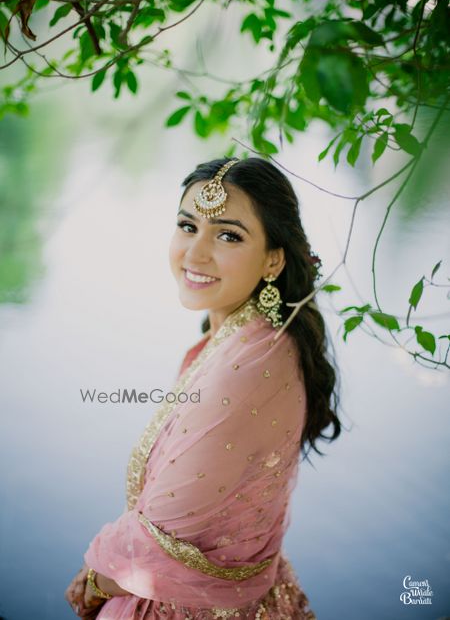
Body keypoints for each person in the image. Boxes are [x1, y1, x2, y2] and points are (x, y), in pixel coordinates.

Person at [65, 156, 342, 619]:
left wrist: (97, 578)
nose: (195, 254)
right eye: (187, 226)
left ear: (273, 258)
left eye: (228, 235)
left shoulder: (249, 368)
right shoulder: (253, 339)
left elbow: (168, 535)